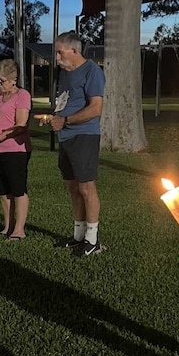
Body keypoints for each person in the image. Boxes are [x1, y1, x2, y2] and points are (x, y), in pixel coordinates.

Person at [39, 31, 105, 257]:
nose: (56, 57)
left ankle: (92, 240)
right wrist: (53, 118)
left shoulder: (92, 71)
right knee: (73, 187)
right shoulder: (65, 73)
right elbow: (65, 102)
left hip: (84, 136)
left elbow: (96, 108)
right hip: (65, 136)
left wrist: (65, 120)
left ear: (74, 51)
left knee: (87, 187)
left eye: (59, 52)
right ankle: (78, 237)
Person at [0, 58, 31, 241]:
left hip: (15, 149)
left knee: (18, 189)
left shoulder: (22, 95)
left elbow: (20, 125)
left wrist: (1, 137)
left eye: (1, 80)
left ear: (13, 80)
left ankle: (19, 229)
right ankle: (8, 225)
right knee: (3, 191)